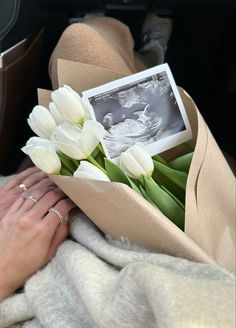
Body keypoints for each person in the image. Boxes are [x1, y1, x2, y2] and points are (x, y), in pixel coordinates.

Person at [0, 15, 235, 328]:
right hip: (188, 254)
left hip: (28, 217)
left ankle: (150, 58)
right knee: (84, 44)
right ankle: (151, 55)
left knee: (82, 52)